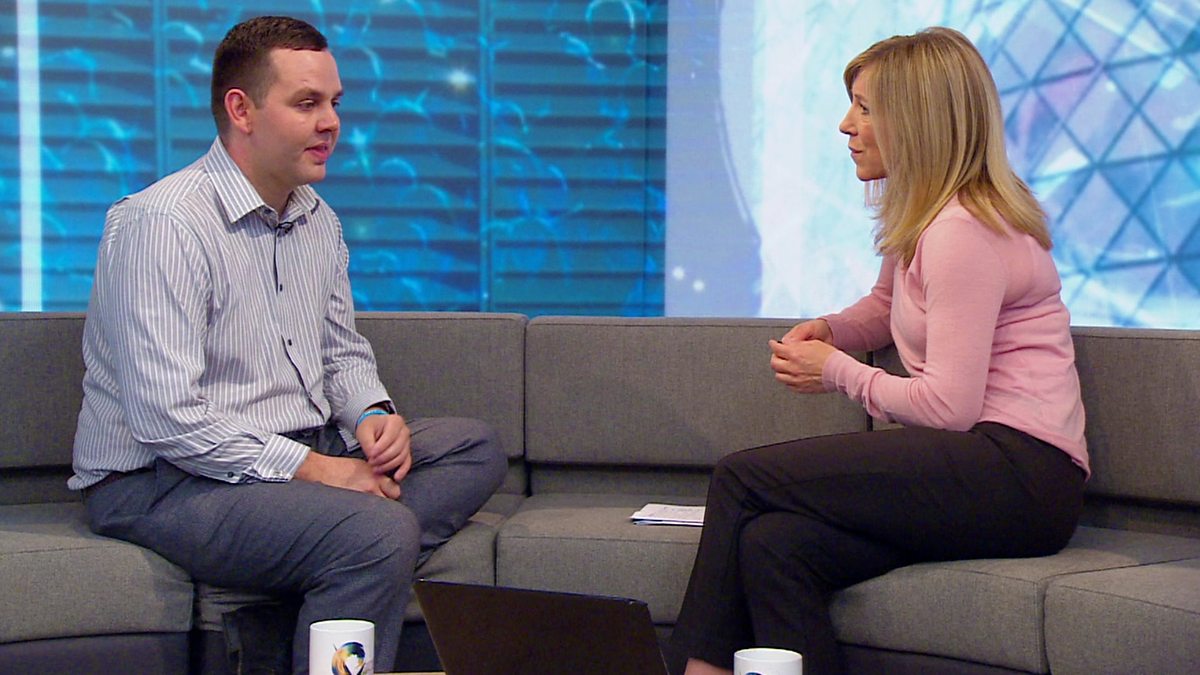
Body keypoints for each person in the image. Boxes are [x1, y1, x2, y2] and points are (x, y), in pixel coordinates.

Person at [69, 15, 507, 674]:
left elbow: (340, 352)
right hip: (164, 480)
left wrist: (372, 414)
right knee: (377, 529)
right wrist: (321, 472)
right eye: (307, 103)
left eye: (334, 103)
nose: (331, 123)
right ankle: (348, 563)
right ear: (241, 110)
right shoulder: (163, 225)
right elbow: (167, 418)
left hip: (295, 451)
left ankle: (296, 606)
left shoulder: (317, 219)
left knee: (474, 448)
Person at [668, 27, 1089, 675]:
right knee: (774, 544)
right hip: (979, 467)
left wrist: (836, 371)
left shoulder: (963, 232)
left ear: (917, 121)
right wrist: (832, 331)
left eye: (864, 109)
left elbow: (949, 406)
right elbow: (886, 306)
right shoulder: (926, 217)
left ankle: (699, 671)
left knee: (742, 478)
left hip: (1020, 475)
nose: (846, 125)